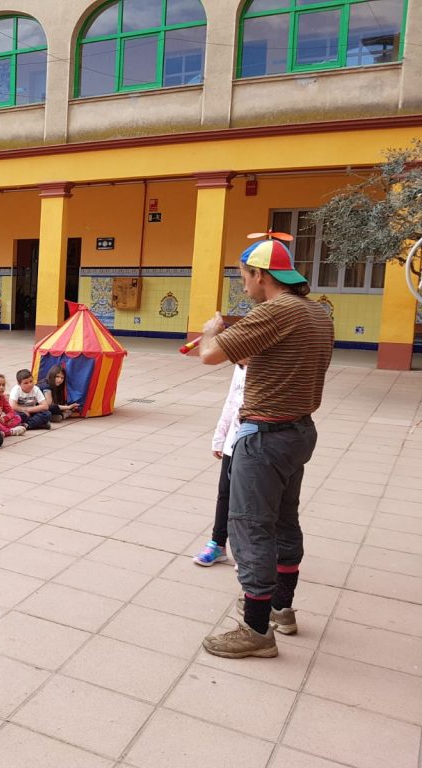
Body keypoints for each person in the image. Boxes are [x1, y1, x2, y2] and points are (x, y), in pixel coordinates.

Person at [197, 238, 333, 659]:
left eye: (245, 278)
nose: (244, 287)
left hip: (265, 437)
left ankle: (256, 630)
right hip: (299, 432)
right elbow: (279, 361)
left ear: (261, 275)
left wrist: (211, 332)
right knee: (284, 521)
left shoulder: (275, 310)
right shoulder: (317, 312)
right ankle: (281, 607)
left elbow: (210, 355)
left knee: (251, 527)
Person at [192, 363, 246, 567]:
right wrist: (220, 436)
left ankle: (248, 552)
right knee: (225, 493)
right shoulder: (240, 366)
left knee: (250, 498)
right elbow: (232, 401)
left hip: (256, 441)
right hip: (234, 439)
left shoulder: (268, 362)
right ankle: (218, 544)